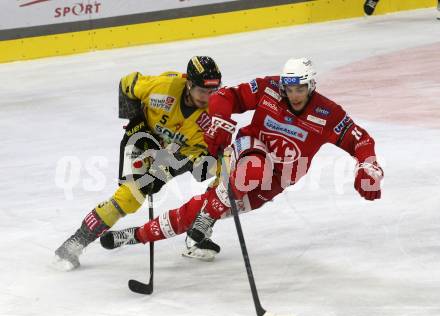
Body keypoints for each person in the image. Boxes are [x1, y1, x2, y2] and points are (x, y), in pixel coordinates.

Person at [100, 57, 384, 253]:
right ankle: (207, 218)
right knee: (251, 171)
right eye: (290, 87)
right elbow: (226, 96)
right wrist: (220, 121)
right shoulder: (271, 88)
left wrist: (369, 168)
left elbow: (360, 141)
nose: (294, 94)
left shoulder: (327, 113)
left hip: (279, 178)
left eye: (301, 88)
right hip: (249, 148)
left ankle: (136, 235)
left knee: (197, 210)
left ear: (312, 85)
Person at [54, 56, 223, 270]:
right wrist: (135, 123)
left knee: (227, 171)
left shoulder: (212, 114)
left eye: (213, 91)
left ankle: (200, 230)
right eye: (203, 91)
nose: (208, 97)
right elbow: (127, 83)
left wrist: (176, 167)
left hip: (174, 152)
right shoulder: (162, 88)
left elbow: (198, 156)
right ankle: (74, 244)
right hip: (140, 139)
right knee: (129, 198)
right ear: (189, 84)